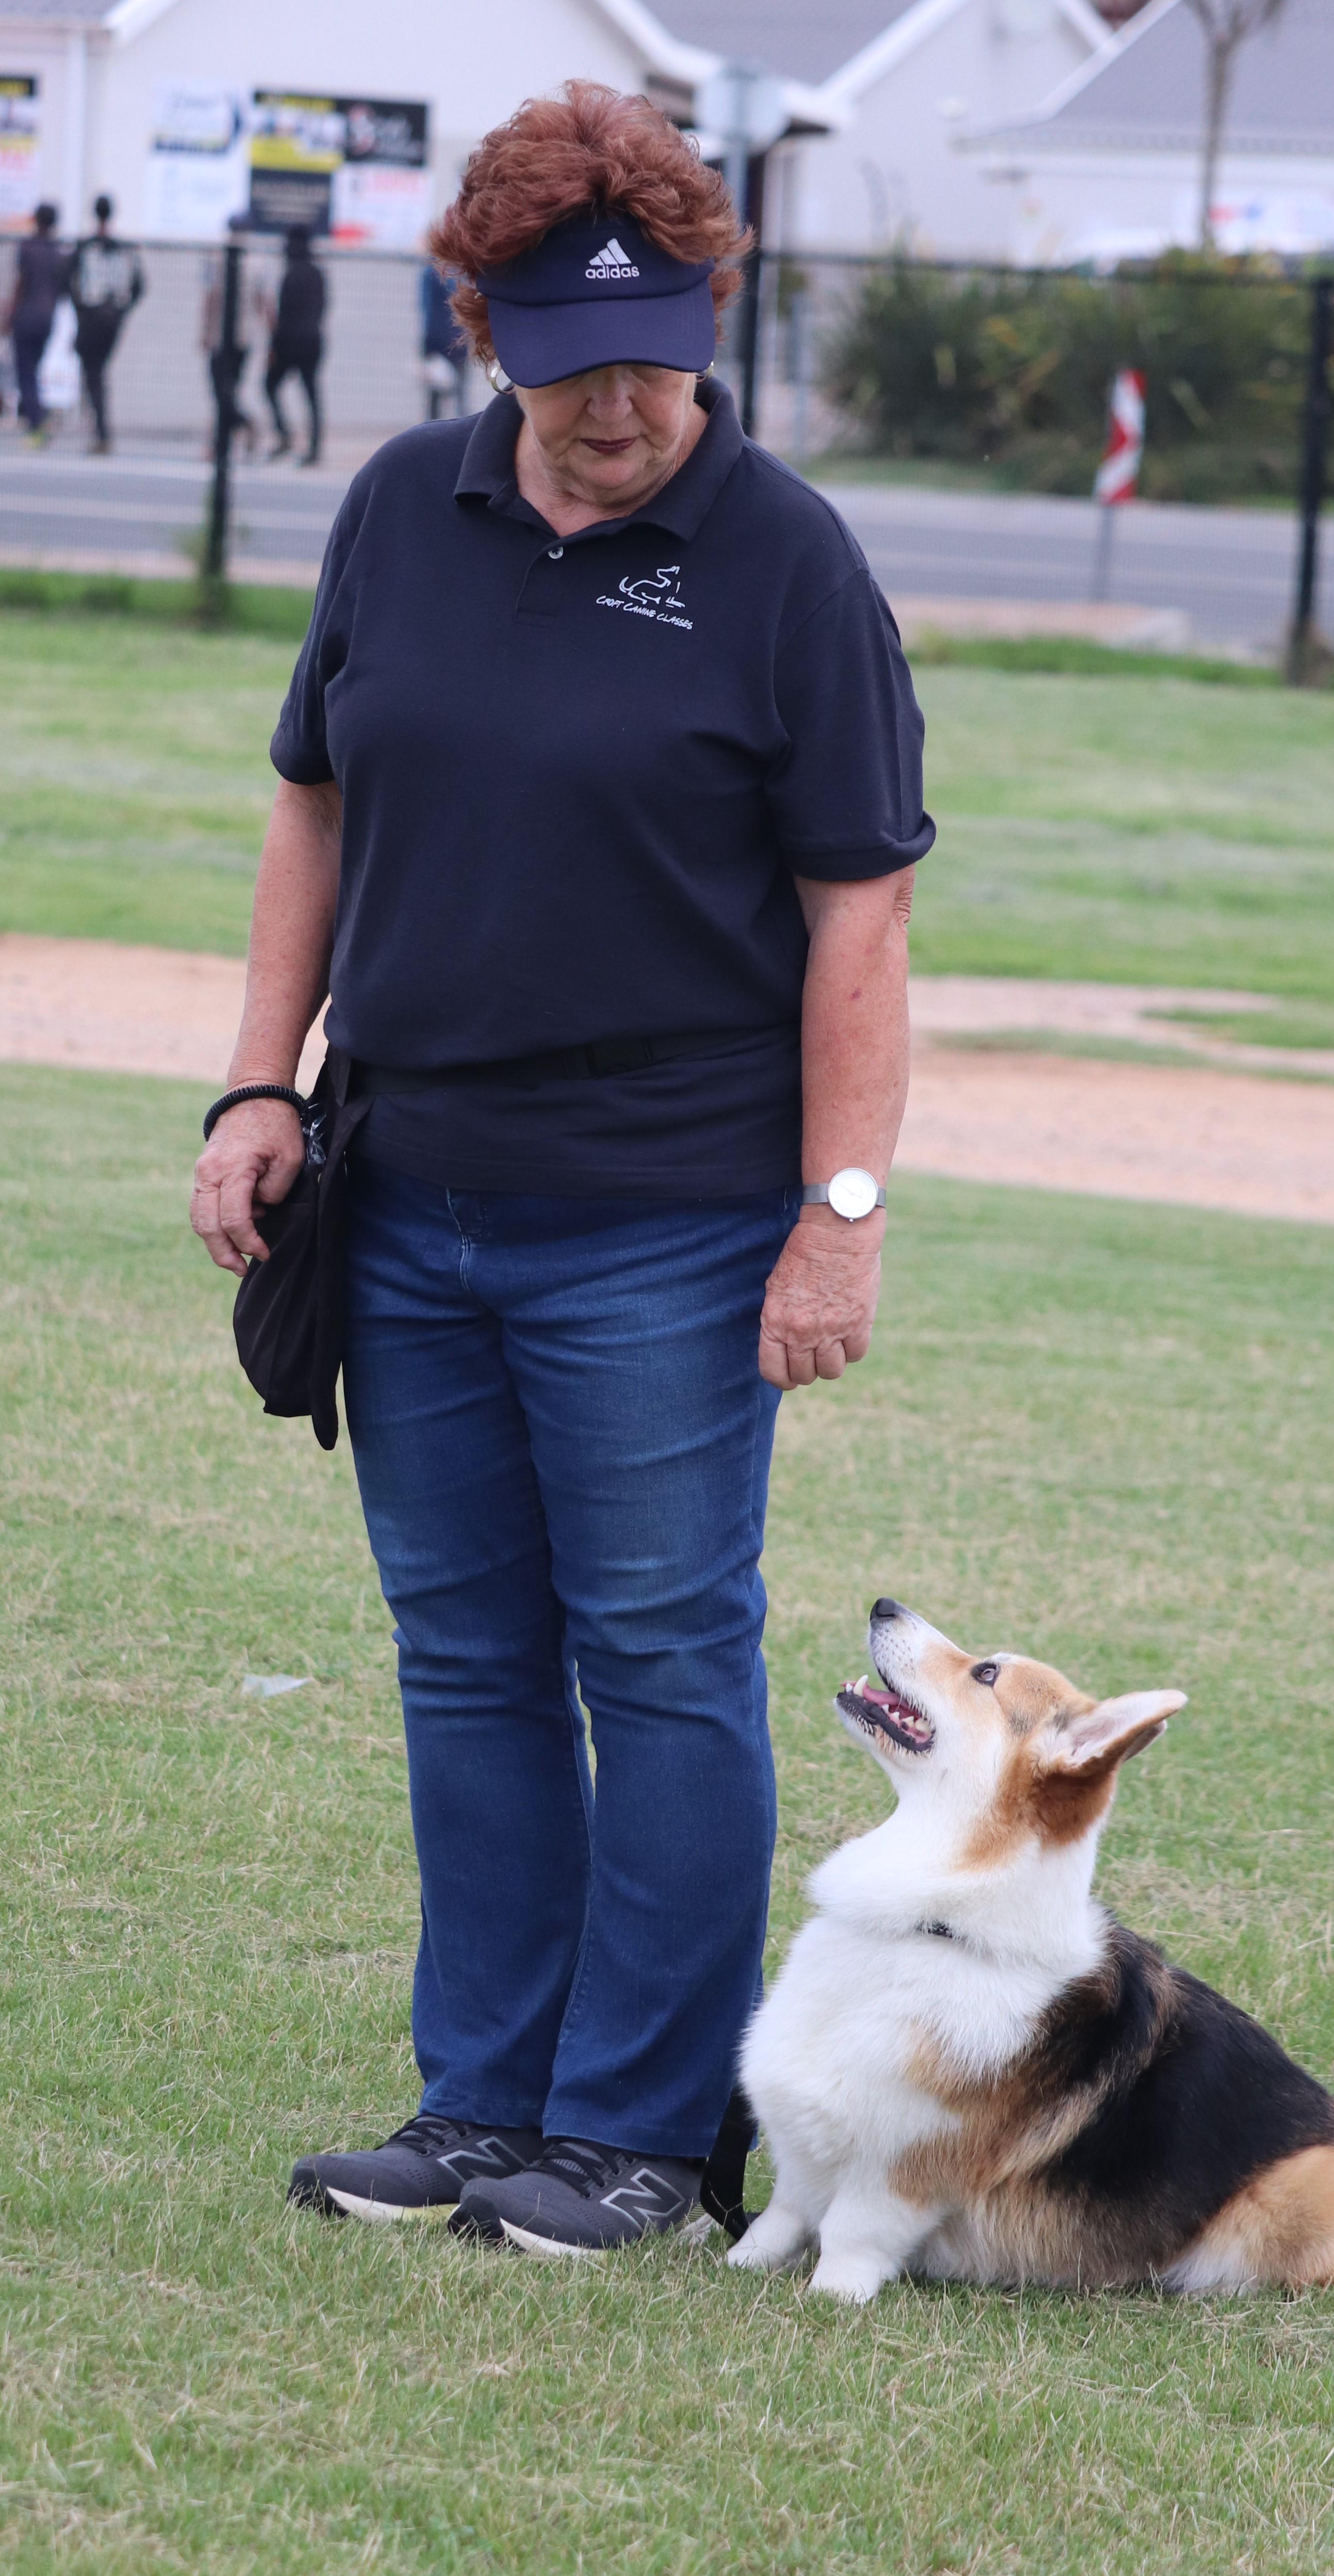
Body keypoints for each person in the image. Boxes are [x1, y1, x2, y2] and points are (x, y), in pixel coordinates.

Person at [190, 80, 931, 2259]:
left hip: (666, 1219)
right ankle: (481, 2099)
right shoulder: (398, 510)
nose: (616, 406)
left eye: (653, 358)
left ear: (709, 324)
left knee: (663, 1656)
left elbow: (862, 913)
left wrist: (838, 1213)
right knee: (466, 1657)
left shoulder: (784, 560)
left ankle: (635, 2135)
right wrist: (255, 1087)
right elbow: (316, 799)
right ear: (481, 334)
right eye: (564, 362)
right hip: (407, 1190)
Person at [67, 193, 145, 454]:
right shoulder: (124, 249)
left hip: (93, 317)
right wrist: (121, 311)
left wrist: (82, 309)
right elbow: (139, 285)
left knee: (94, 374)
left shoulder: (86, 247)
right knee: (97, 373)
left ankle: (101, 432)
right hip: (112, 319)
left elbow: (67, 280)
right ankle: (100, 430)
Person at [200, 214, 269, 459]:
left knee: (221, 394)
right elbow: (263, 304)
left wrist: (205, 331)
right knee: (229, 392)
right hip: (244, 339)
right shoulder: (256, 262)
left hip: (222, 338)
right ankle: (227, 441)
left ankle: (238, 430)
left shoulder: (217, 259)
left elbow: (210, 298)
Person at [263, 228, 326, 466]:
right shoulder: (317, 274)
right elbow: (322, 308)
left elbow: (284, 315)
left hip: (290, 342)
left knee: (270, 385)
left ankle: (285, 436)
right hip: (312, 341)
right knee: (311, 394)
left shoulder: (291, 274)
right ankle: (313, 447)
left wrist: (274, 347)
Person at [4, 202, 63, 444]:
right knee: (33, 373)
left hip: (26, 317)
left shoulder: (28, 248)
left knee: (26, 374)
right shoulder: (58, 252)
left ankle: (36, 426)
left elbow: (21, 284)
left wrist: (9, 315)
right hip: (46, 319)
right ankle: (37, 416)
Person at [419, 257, 470, 420]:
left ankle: (443, 425)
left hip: (451, 339)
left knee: (453, 391)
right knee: (441, 390)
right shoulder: (438, 275)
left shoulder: (433, 275)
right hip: (450, 339)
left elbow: (425, 308)